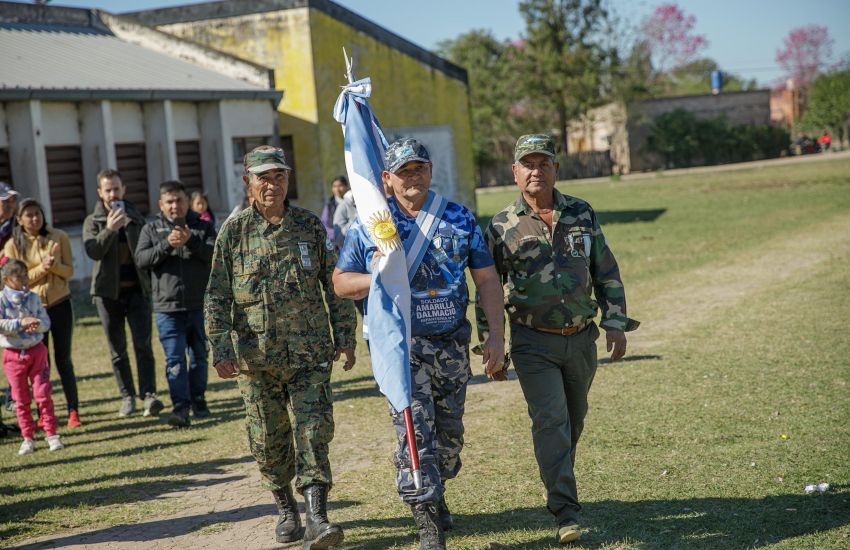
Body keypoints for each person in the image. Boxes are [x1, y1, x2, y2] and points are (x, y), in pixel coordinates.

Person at [332, 138, 506, 550]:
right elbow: (341, 282)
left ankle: (437, 487)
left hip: (451, 347)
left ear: (429, 171)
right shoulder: (372, 224)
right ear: (387, 178)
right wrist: (375, 277)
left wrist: (495, 335)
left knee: (449, 440)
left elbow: (486, 279)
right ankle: (426, 519)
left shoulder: (459, 218)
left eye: (419, 168)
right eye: (403, 170)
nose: (413, 176)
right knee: (415, 436)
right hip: (400, 348)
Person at [477, 134, 639, 545]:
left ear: (556, 169)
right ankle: (565, 511)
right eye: (527, 164)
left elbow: (605, 269)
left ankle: (557, 479)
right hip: (534, 342)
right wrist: (491, 345)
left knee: (573, 420)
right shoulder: (500, 226)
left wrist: (615, 321)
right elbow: (488, 289)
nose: (536, 170)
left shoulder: (581, 213)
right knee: (551, 422)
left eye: (543, 163)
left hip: (581, 339)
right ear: (514, 172)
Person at [205, 145, 356, 548]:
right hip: (256, 361)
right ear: (248, 183)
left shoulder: (309, 227)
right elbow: (217, 295)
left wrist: (345, 337)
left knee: (313, 432)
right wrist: (220, 347)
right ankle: (286, 507)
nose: (272, 185)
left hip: (310, 354)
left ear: (288, 180)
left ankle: (318, 516)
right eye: (263, 178)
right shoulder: (233, 233)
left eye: (279, 177)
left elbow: (335, 285)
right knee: (268, 440)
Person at [135, 181, 215, 428]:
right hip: (167, 309)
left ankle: (198, 399)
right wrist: (167, 244)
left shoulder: (203, 226)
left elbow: (215, 256)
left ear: (187, 201)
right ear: (161, 204)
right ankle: (181, 408)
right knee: (175, 361)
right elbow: (141, 260)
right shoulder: (151, 229)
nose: (174, 206)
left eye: (179, 200)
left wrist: (191, 241)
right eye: (169, 201)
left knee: (200, 357)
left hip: (199, 306)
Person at [83, 169, 162, 419]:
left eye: (116, 189)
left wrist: (130, 228)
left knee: (143, 346)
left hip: (138, 291)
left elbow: (146, 250)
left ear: (123, 190)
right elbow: (93, 251)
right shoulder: (92, 221)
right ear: (100, 192)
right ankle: (127, 397)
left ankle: (149, 396)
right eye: (108, 190)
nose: (113, 194)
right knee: (117, 350)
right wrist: (108, 229)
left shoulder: (136, 217)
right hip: (107, 295)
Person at [4, 199, 81, 428]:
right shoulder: (12, 245)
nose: (34, 219)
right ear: (19, 219)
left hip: (60, 303)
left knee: (63, 359)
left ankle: (73, 411)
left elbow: (68, 271)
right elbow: (17, 280)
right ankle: (43, 415)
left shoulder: (59, 236)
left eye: (38, 214)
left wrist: (54, 265)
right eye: (28, 215)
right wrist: (43, 268)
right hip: (31, 311)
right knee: (39, 363)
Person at [0, 259, 62, 455]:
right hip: (13, 355)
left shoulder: (34, 298)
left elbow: (46, 322)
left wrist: (37, 323)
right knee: (21, 399)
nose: (24, 279)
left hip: (37, 351)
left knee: (43, 394)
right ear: (6, 279)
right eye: (19, 276)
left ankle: (52, 435)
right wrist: (20, 323)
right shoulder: (2, 300)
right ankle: (28, 438)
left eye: (25, 274)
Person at [320, 176, 349, 243]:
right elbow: (324, 224)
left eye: (340, 186)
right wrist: (337, 234)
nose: (337, 189)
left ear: (346, 187)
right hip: (336, 244)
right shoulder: (329, 206)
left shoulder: (353, 204)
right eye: (334, 186)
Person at [0, 182, 19, 260]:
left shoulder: (19, 223)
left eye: (13, 200)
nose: (11, 205)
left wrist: (7, 251)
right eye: (6, 201)